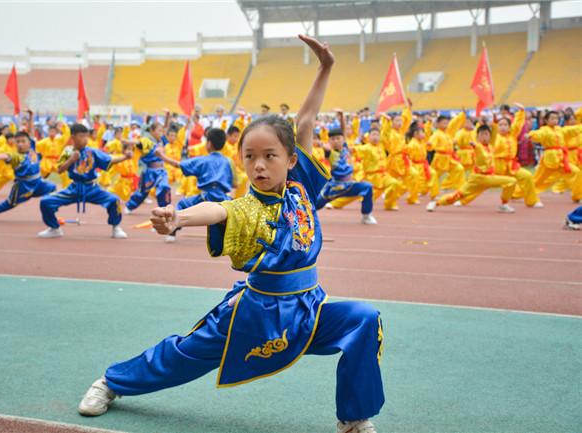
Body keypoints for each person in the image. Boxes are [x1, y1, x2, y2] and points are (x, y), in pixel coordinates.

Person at [77, 35, 384, 433]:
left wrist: (326, 67)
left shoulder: (301, 183)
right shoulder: (248, 206)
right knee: (184, 355)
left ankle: (353, 420)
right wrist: (180, 217)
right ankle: (111, 382)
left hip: (308, 307)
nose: (259, 165)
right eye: (250, 157)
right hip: (255, 313)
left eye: (270, 155)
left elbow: (305, 121)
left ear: (292, 160)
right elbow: (217, 209)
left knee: (363, 319)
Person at [38, 124, 132, 239]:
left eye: (86, 136)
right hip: (74, 188)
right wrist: (71, 160)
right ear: (73, 137)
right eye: (82, 136)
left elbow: (109, 159)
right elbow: (59, 169)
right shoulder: (67, 151)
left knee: (114, 200)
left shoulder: (92, 152)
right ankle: (54, 228)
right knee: (46, 202)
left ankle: (116, 227)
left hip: (92, 188)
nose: (85, 139)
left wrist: (125, 157)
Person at [155, 128, 234, 243]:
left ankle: (172, 232)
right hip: (224, 197)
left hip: (207, 196)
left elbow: (178, 164)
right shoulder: (228, 161)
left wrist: (162, 156)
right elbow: (235, 183)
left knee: (182, 204)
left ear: (209, 144)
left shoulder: (203, 160)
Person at [426, 124, 517, 213]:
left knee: (511, 181)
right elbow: (478, 149)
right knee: (458, 195)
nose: (484, 137)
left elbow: (494, 133)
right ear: (477, 137)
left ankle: (504, 204)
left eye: (486, 134)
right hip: (479, 178)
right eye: (482, 135)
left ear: (490, 136)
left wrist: (494, 123)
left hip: (487, 177)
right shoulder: (478, 146)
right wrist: (474, 145)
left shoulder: (490, 146)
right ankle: (436, 203)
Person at [0, 131, 56, 221]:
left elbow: (30, 131)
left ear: (29, 142)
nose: (20, 144)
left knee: (52, 187)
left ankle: (51, 213)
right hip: (23, 187)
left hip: (38, 183)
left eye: (23, 141)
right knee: (9, 204)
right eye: (18, 142)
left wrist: (31, 116)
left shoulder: (32, 148)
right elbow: (6, 155)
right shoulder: (17, 157)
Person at [316, 127, 376, 225]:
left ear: (343, 139)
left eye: (338, 138)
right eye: (332, 139)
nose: (335, 141)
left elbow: (343, 131)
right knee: (315, 205)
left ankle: (366, 216)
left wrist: (341, 117)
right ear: (329, 141)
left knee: (367, 187)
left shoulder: (345, 148)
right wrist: (324, 146)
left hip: (349, 185)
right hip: (334, 187)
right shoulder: (330, 152)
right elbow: (326, 149)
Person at [492, 103, 543, 208]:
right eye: (500, 125)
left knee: (527, 176)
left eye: (505, 125)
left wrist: (521, 111)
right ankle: (462, 198)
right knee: (479, 184)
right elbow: (489, 131)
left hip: (511, 165)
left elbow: (517, 124)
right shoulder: (494, 137)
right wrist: (493, 120)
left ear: (509, 127)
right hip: (497, 166)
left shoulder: (512, 134)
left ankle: (532, 201)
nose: (502, 127)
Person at [529, 111, 582, 202]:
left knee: (576, 172)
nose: (555, 120)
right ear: (546, 120)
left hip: (561, 159)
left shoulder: (559, 129)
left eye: (556, 118)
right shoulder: (544, 129)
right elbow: (538, 134)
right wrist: (531, 134)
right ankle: (519, 193)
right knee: (538, 180)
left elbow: (573, 130)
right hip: (549, 159)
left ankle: (577, 196)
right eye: (552, 118)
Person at [124, 122, 172, 214]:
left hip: (161, 171)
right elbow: (138, 142)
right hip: (149, 172)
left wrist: (167, 117)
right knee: (142, 192)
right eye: (159, 131)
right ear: (152, 131)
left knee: (164, 187)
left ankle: (164, 209)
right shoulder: (147, 140)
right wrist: (127, 141)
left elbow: (166, 128)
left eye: (162, 131)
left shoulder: (161, 140)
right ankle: (130, 205)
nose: (161, 133)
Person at [36, 122, 72, 188]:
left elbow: (67, 135)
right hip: (46, 162)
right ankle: (36, 187)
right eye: (50, 131)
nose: (52, 133)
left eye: (53, 131)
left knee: (65, 173)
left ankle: (67, 188)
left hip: (57, 161)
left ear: (56, 132)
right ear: (48, 132)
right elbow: (36, 145)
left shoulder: (59, 140)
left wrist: (64, 126)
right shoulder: (44, 141)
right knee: (38, 173)